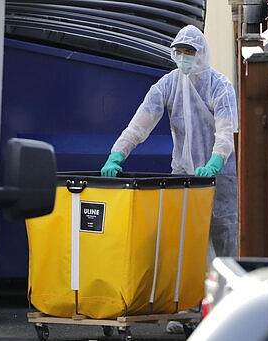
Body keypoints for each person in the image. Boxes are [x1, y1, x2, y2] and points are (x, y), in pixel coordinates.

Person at [100, 24, 238, 334]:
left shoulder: (220, 86)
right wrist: (117, 155)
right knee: (185, 247)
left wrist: (215, 162)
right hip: (184, 178)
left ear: (202, 54)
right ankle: (185, 308)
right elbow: (140, 124)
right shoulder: (167, 85)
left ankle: (227, 312)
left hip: (218, 178)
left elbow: (225, 131)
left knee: (224, 245)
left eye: (190, 52)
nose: (184, 57)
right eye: (179, 52)